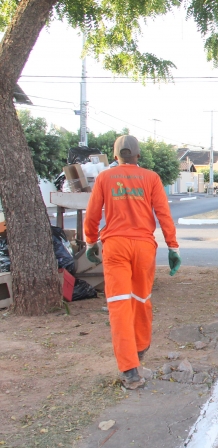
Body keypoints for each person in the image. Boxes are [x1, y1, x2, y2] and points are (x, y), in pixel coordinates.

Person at [84, 135, 181, 390]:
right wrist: (173, 247)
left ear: (115, 156)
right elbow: (163, 214)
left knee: (118, 306)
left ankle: (129, 371)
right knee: (140, 300)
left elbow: (93, 214)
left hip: (115, 247)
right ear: (138, 156)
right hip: (143, 248)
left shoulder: (105, 178)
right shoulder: (151, 178)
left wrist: (90, 242)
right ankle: (140, 349)